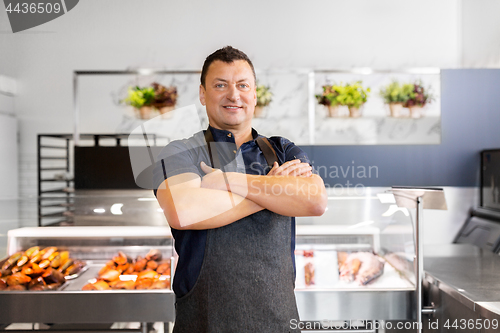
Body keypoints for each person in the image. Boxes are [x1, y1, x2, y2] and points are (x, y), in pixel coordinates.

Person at [154, 46, 327, 333]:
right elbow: (183, 211)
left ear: (255, 94)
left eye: (242, 85)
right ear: (202, 93)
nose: (233, 95)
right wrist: (275, 189)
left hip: (278, 320)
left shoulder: (281, 149)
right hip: (203, 321)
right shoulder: (180, 153)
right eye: (220, 85)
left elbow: (315, 201)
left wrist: (225, 181)